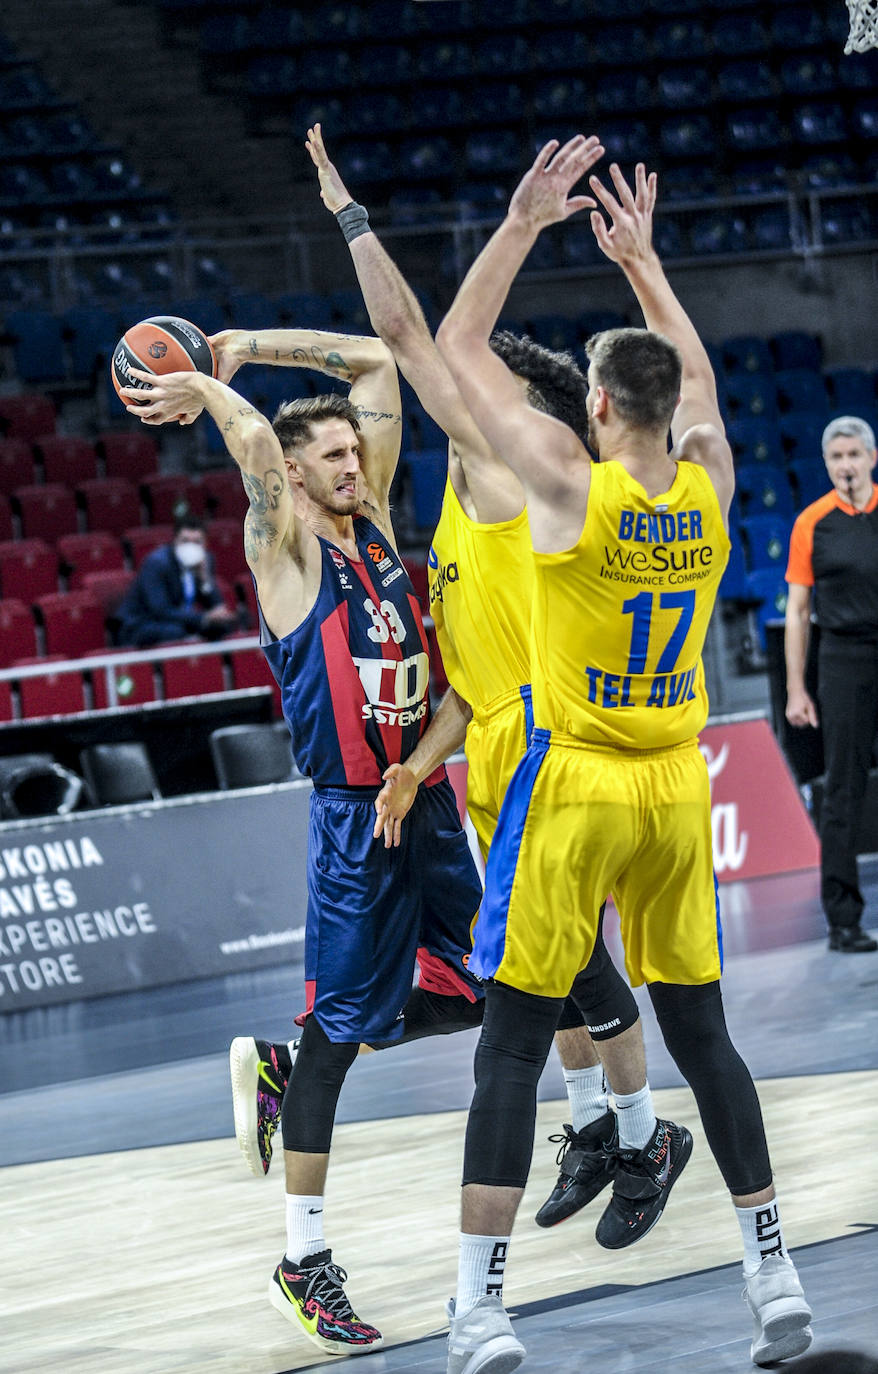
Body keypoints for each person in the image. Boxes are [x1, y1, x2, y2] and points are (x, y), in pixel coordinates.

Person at [435, 139, 813, 1373]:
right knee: (703, 1036)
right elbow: (697, 381)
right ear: (664, 412)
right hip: (671, 785)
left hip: (573, 780)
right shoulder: (705, 487)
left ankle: (480, 1310)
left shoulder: (561, 485)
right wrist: (645, 263)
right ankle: (773, 1281)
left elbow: (452, 352)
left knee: (509, 1043)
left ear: (594, 407)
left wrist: (521, 224)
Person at [294, 123, 691, 1240]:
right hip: (489, 747)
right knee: (546, 967)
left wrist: (350, 215)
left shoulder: (504, 473)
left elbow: (409, 337)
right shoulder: (464, 507)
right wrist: (422, 766)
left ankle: (640, 1131)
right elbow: (463, 679)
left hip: (550, 740)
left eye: (485, 388)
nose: (459, 396)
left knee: (553, 967)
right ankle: (604, 1127)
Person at [119, 325, 486, 1359]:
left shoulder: (374, 532)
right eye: (330, 455)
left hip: (427, 801)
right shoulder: (280, 547)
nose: (353, 462)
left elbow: (373, 360)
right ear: (289, 473)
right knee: (337, 1036)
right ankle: (304, 1259)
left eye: (354, 451)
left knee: (505, 987)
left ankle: (286, 1065)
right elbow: (247, 448)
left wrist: (246, 342)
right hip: (352, 821)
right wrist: (205, 380)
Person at [784, 415, 878, 953]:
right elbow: (798, 611)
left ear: (870, 458)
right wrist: (798, 688)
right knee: (843, 787)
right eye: (836, 457)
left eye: (852, 455)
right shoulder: (811, 522)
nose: (845, 465)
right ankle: (843, 920)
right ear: (827, 464)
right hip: (843, 659)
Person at [116, 512, 239, 647]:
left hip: (177, 621)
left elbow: (216, 607)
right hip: (142, 624)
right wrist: (203, 618)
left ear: (205, 544)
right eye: (185, 541)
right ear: (175, 541)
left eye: (197, 542)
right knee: (176, 632)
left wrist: (204, 579)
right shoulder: (157, 563)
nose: (191, 547)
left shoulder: (205, 560)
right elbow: (160, 610)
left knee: (221, 627)